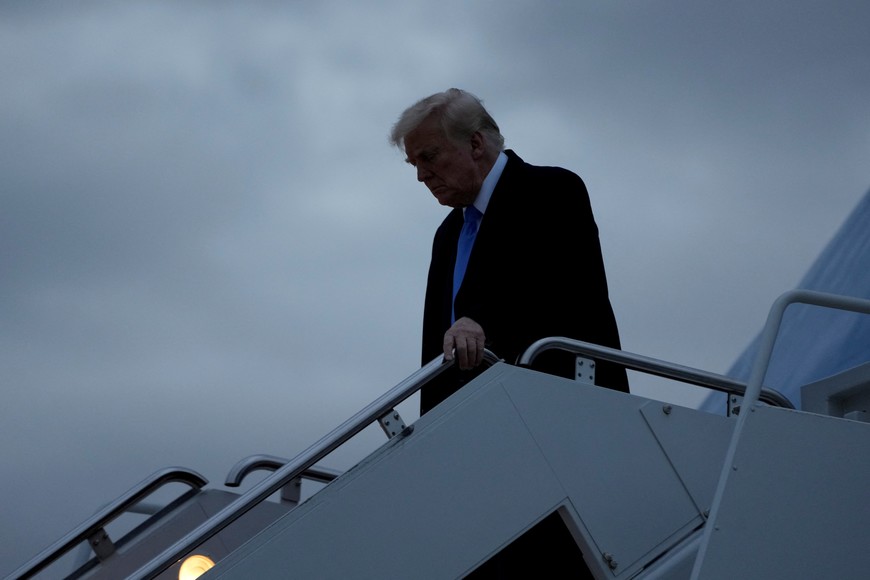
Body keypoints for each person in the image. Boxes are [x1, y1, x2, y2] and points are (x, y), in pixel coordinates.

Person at [390, 88, 629, 415]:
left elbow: (564, 295)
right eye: (413, 163)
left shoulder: (554, 192)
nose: (420, 176)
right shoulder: (447, 234)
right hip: (471, 426)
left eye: (428, 157)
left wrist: (479, 321)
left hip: (564, 412)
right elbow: (438, 351)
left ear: (475, 144)